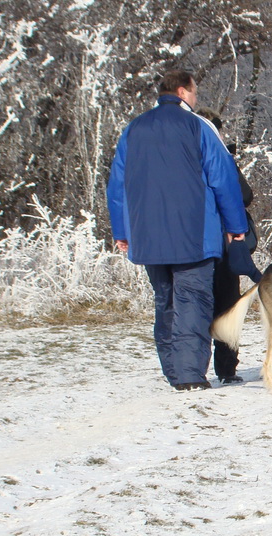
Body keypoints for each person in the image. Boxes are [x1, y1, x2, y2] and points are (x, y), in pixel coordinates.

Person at [107, 70, 248, 391]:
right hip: (193, 231)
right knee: (193, 300)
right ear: (183, 92)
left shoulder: (133, 129)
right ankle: (189, 375)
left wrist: (122, 232)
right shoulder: (197, 126)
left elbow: (117, 187)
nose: (196, 98)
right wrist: (236, 226)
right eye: (195, 92)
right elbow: (223, 178)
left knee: (165, 300)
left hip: (147, 234)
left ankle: (174, 371)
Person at [195, 107, 263, 385]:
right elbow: (244, 194)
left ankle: (193, 368)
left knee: (194, 306)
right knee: (226, 305)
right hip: (223, 242)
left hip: (191, 244)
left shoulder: (179, 161)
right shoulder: (220, 156)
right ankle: (226, 369)